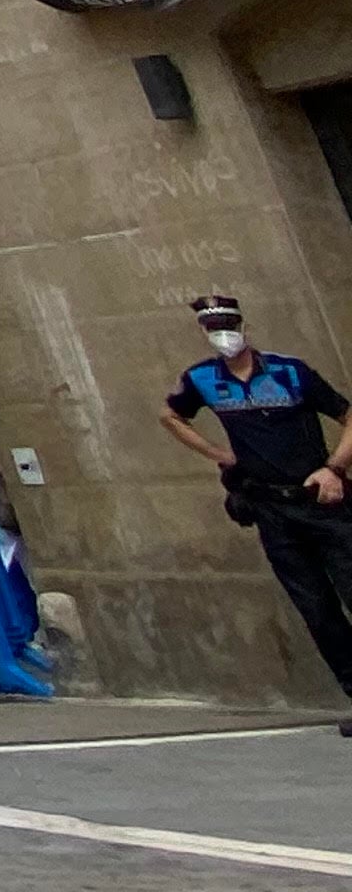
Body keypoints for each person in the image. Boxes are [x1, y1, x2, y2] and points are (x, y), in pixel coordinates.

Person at [157, 291, 352, 721]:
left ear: (244, 327)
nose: (223, 336)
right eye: (213, 330)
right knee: (317, 610)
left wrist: (334, 468)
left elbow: (347, 415)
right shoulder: (203, 379)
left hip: (320, 500)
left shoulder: (289, 372)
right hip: (270, 508)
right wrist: (218, 454)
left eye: (228, 327)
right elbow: (171, 416)